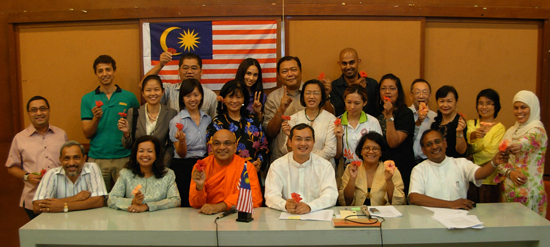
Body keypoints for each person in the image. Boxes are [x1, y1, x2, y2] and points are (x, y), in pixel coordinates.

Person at [409, 130, 508, 209]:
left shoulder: (460, 163)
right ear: (423, 150)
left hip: (459, 220)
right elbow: (414, 197)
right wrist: (450, 204)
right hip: (430, 222)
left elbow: (480, 174)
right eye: (429, 144)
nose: (434, 146)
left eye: (437, 141)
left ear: (445, 143)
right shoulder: (419, 169)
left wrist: (494, 162)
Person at [81, 55, 139, 191]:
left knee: (127, 198)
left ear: (114, 71)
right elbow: (87, 134)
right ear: (96, 74)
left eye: (108, 69)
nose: (105, 74)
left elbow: (137, 128)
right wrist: (96, 118)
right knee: (97, 201)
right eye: (100, 71)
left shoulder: (129, 97)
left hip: (124, 158)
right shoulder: (87, 99)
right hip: (97, 159)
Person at [6, 96, 68, 219]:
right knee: (39, 237)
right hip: (33, 198)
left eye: (42, 109)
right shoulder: (20, 138)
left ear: (49, 111)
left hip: (61, 196)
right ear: (28, 113)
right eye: (34, 110)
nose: (39, 113)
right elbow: (11, 167)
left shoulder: (61, 135)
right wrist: (27, 176)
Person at [264, 56, 334, 163]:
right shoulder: (273, 97)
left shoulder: (313, 91)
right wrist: (280, 111)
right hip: (282, 156)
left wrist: (326, 96)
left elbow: (330, 118)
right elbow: (270, 132)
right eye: (284, 71)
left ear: (301, 72)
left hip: (318, 157)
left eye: (293, 70)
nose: (290, 74)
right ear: (278, 76)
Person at [494, 90, 547, 217]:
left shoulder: (537, 130)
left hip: (530, 195)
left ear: (532, 108)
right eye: (516, 108)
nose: (519, 111)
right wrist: (509, 173)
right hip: (508, 193)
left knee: (530, 234)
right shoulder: (510, 131)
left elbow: (527, 142)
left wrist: (517, 145)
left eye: (523, 107)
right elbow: (499, 161)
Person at [265, 124, 338, 214]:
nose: (303, 143)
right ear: (290, 142)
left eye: (307, 139)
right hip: (286, 218)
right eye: (298, 139)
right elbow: (270, 195)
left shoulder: (325, 166)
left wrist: (310, 206)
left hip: (316, 216)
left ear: (313, 142)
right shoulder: (277, 166)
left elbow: (331, 195)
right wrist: (284, 205)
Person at [189, 129, 262, 215]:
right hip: (208, 218)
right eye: (217, 143)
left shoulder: (246, 167)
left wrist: (221, 206)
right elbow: (195, 204)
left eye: (227, 143)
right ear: (211, 147)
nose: (222, 147)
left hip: (237, 217)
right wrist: (199, 187)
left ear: (235, 147)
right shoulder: (201, 167)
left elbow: (254, 198)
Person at [206, 80, 268, 173]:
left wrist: (258, 162)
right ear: (224, 99)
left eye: (239, 97)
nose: (235, 101)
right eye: (231, 97)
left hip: (252, 174)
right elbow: (212, 153)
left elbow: (264, 146)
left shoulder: (253, 120)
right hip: (227, 175)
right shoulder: (217, 123)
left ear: (244, 99)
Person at [108, 136, 181, 212]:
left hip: (159, 220)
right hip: (132, 220)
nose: (145, 155)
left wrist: (147, 206)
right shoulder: (126, 173)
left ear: (157, 155)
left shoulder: (167, 174)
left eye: (150, 151)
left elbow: (175, 200)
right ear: (135, 154)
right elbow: (111, 199)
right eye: (141, 151)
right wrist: (132, 202)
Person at [169, 78, 212, 207]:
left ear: (201, 96)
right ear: (182, 98)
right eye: (188, 96)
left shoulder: (208, 119)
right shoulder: (177, 121)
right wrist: (182, 142)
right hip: (184, 166)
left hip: (204, 165)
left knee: (204, 201)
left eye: (196, 95)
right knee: (187, 205)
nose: (192, 99)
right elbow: (181, 154)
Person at [118, 75, 178, 166]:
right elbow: (127, 145)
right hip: (139, 166)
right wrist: (126, 133)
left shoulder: (171, 113)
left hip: (161, 166)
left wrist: (163, 165)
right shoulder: (133, 112)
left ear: (163, 92)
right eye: (148, 90)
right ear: (143, 93)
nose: (153, 93)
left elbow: (171, 145)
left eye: (156, 89)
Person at [32, 141, 107, 214]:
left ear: (84, 159)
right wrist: (74, 198)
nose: (71, 163)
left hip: (88, 222)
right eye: (66, 158)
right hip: (59, 223)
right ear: (60, 160)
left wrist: (63, 206)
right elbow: (37, 206)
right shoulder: (52, 174)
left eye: (76, 158)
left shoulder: (92, 168)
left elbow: (98, 201)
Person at [141, 52, 217, 118]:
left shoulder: (210, 96)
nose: (189, 71)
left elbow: (216, 122)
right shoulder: (169, 90)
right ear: (178, 71)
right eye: (185, 68)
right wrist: (160, 65)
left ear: (201, 71)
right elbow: (142, 85)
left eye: (194, 68)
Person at [338, 132, 405, 206]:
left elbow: (398, 203)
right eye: (367, 148)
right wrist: (352, 179)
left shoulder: (391, 170)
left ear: (381, 152)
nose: (370, 151)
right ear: (361, 151)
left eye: (375, 149)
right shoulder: (351, 168)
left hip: (383, 215)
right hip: (356, 214)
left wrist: (389, 181)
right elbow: (345, 202)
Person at [281, 79, 337, 166]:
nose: (311, 96)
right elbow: (286, 150)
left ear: (322, 96)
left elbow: (330, 150)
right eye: (308, 93)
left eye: (316, 93)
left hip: (323, 168)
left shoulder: (331, 119)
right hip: (298, 167)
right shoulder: (293, 119)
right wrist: (289, 136)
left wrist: (304, 157)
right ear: (302, 96)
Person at [377, 74, 415, 194]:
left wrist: (389, 117)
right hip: (378, 167)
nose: (387, 92)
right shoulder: (375, 112)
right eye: (383, 88)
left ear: (399, 92)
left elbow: (394, 142)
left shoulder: (405, 113)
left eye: (392, 88)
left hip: (400, 166)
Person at [465, 89, 505, 203]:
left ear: (496, 106)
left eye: (488, 103)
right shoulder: (470, 124)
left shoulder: (499, 128)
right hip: (470, 178)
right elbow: (465, 148)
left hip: (490, 180)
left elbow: (492, 153)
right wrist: (473, 136)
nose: (484, 107)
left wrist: (472, 158)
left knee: (489, 217)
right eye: (480, 103)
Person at [334, 84, 382, 165]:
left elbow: (380, 149)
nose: (352, 107)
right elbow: (337, 155)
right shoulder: (337, 122)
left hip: (369, 168)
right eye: (349, 102)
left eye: (357, 103)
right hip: (348, 170)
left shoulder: (373, 122)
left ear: (364, 103)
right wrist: (339, 138)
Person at [329, 48, 379, 117]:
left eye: (351, 62)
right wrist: (354, 89)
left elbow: (376, 111)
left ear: (359, 62)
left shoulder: (372, 84)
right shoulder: (334, 87)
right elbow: (338, 113)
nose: (348, 67)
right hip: (343, 125)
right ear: (339, 64)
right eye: (344, 63)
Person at [430, 85, 467, 158]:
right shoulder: (435, 124)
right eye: (441, 101)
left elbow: (461, 151)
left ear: (456, 102)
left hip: (455, 165)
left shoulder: (459, 122)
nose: (445, 105)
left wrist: (459, 132)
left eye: (449, 101)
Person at [408, 79, 437, 164]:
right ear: (411, 96)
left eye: (425, 92)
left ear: (430, 96)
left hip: (428, 161)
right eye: (417, 92)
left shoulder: (434, 117)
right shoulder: (404, 114)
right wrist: (418, 122)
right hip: (407, 161)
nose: (421, 96)